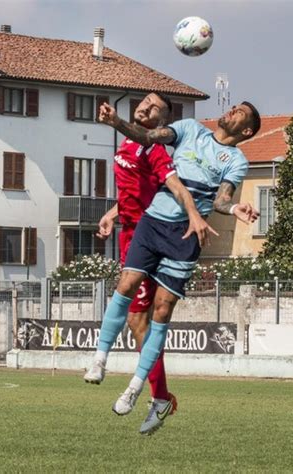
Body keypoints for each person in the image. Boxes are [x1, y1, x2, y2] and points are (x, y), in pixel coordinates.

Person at [86, 101, 261, 435]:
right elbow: (150, 137)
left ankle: (141, 388)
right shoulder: (190, 128)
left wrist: (236, 207)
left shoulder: (235, 160)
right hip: (152, 224)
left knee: (161, 310)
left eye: (240, 112)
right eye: (234, 106)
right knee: (126, 286)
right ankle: (101, 360)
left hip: (186, 236)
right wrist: (115, 122)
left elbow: (222, 200)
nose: (232, 110)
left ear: (246, 130)